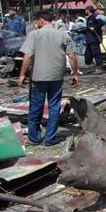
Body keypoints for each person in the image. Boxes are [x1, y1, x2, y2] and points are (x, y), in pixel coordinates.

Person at [17, 11, 79, 145]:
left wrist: (22, 74)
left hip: (38, 76)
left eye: (36, 22)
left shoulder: (35, 35)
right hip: (56, 76)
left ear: (40, 20)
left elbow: (28, 56)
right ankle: (50, 138)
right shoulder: (63, 35)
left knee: (36, 107)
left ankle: (34, 138)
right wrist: (74, 73)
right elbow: (72, 56)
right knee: (54, 107)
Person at [83, 6, 105, 71]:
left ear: (88, 10)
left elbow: (102, 23)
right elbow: (88, 29)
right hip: (89, 39)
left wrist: (94, 27)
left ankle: (100, 66)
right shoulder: (89, 18)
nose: (85, 11)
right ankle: (91, 66)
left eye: (86, 10)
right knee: (87, 55)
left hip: (94, 39)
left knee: (96, 53)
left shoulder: (94, 16)